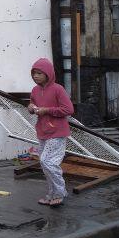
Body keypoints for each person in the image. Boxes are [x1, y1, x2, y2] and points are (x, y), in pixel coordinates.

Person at [27, 57, 74, 207]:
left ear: (48, 73)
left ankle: (60, 192)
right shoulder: (35, 90)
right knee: (46, 165)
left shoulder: (58, 89)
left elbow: (68, 110)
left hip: (58, 132)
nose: (35, 76)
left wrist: (47, 110)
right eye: (34, 73)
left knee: (47, 161)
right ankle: (51, 193)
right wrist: (31, 107)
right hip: (42, 131)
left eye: (39, 73)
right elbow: (32, 103)